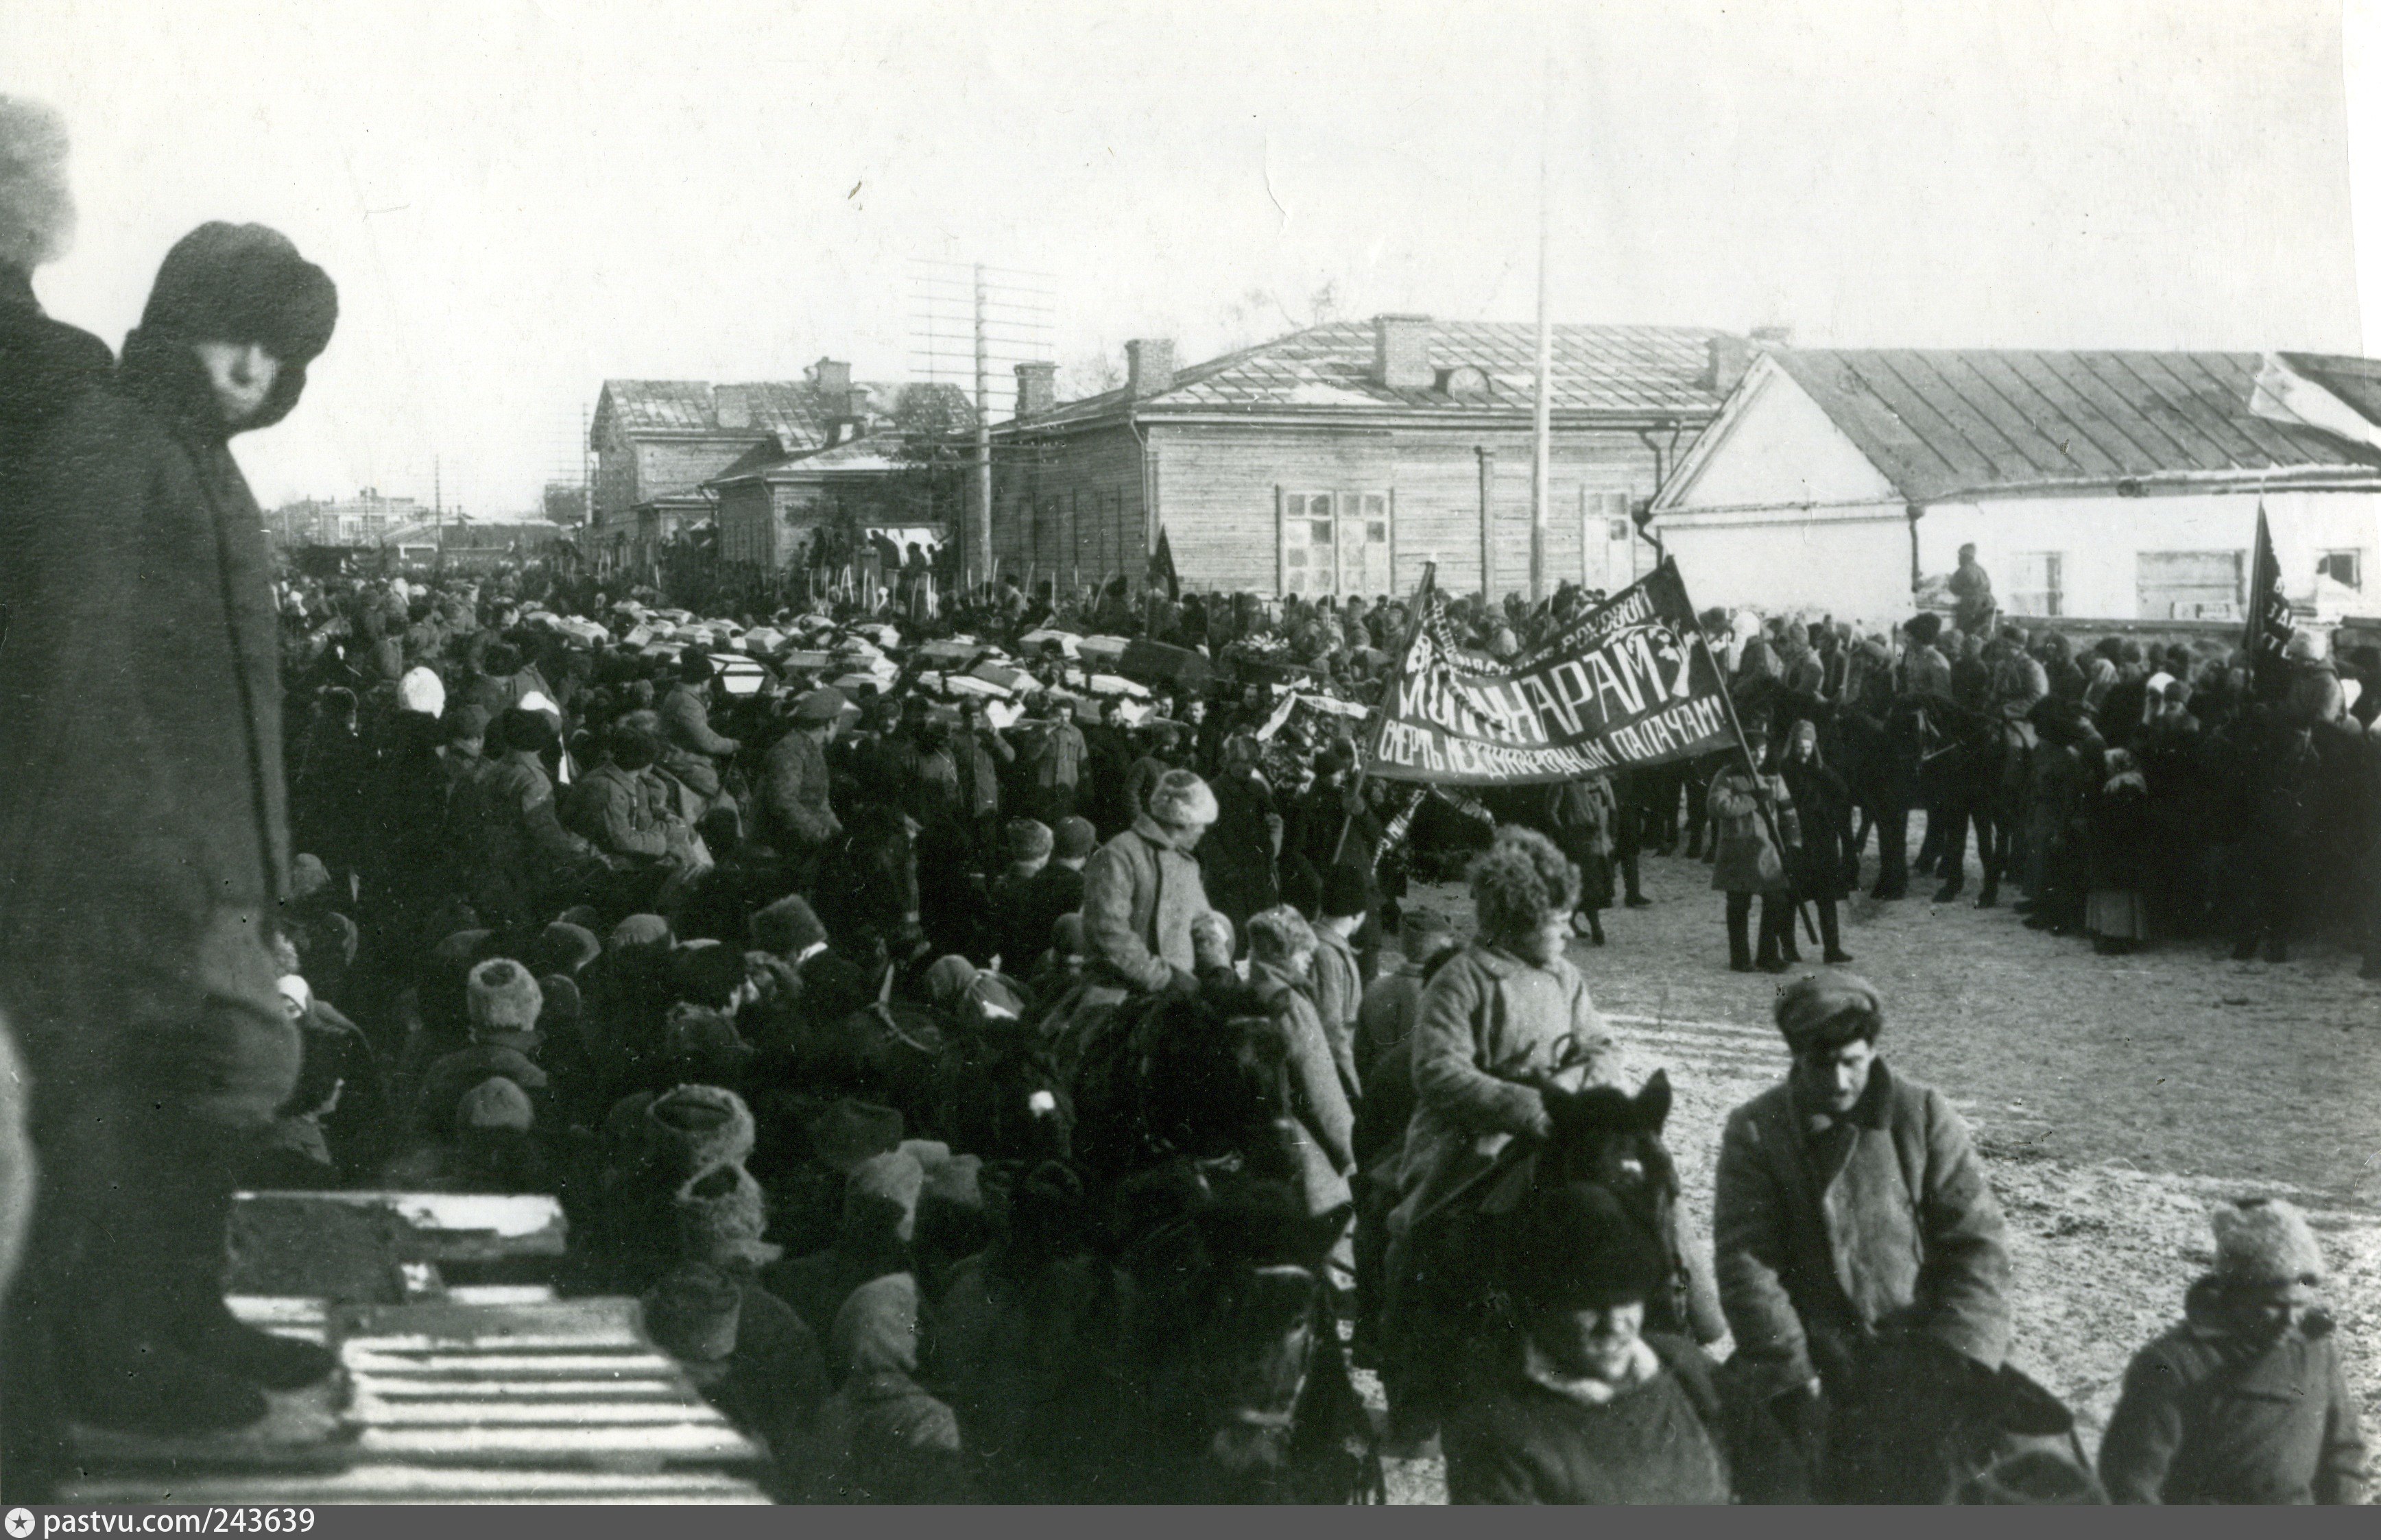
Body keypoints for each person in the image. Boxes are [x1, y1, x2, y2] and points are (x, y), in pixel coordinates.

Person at [0, 221, 342, 1440]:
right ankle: (110, 1351)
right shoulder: (112, 445)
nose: (259, 370)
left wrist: (252, 857)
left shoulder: (194, 453)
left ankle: (180, 1308)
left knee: (220, 1085)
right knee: (128, 1105)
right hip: (132, 870)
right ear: (179, 327)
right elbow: (75, 676)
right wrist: (161, 861)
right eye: (240, 339)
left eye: (280, 351)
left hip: (213, 867)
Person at [1712, 970, 2011, 1503]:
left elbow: (1976, 1242)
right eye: (1820, 1065)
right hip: (1815, 1357)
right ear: (1796, 1059)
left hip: (1922, 1352)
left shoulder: (1920, 1114)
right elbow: (1747, 1261)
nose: (1839, 1082)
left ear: (1871, 1051)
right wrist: (1792, 1371)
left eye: (1852, 1062)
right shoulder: (1758, 1131)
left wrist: (1958, 1353)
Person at [1386, 828, 1623, 1443]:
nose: (1568, 934)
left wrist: (1577, 1087)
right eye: (1558, 922)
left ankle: (1684, 1319)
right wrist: (1520, 1103)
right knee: (1419, 1242)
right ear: (1517, 921)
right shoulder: (1463, 979)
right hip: (1470, 1141)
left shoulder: (1567, 978)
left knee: (1647, 1195)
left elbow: (1604, 1045)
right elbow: (1436, 1069)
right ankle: (1415, 1392)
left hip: (1560, 1129)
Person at [1443, 1186, 1733, 1504]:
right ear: (1541, 1310)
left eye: (1627, 1300)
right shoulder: (1501, 1432)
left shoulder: (1682, 1365)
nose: (1615, 1325)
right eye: (1590, 1306)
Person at [2098, 1197, 2365, 1504]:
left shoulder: (2316, 1353)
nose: (2290, 1320)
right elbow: (2130, 1484)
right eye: (2275, 1305)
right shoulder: (2173, 1363)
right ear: (2236, 1296)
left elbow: (2343, 1455)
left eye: (2301, 1305)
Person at [1077, 769, 1219, 1000]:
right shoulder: (1119, 854)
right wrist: (1165, 979)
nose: (1203, 831)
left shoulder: (1187, 865)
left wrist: (1217, 967)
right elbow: (1107, 932)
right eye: (1200, 824)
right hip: (1121, 992)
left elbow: (1202, 921)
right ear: (1182, 821)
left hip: (1180, 993)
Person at [1708, 728, 1802, 973]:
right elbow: (1718, 806)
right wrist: (1751, 800)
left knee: (1776, 899)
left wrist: (1793, 844)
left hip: (1767, 849)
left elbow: (1788, 812)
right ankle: (1740, 958)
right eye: (1752, 750)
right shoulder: (1727, 776)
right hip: (1738, 850)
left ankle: (1768, 955)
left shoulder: (1773, 777)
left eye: (1761, 750)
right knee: (1739, 905)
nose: (1758, 755)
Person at [1775, 720, 1855, 963]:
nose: (1804, 751)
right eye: (1800, 746)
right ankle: (1788, 947)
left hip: (1822, 843)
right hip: (1796, 842)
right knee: (1791, 897)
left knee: (1827, 897)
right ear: (1793, 745)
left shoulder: (1822, 770)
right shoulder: (1783, 771)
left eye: (1808, 747)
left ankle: (1832, 949)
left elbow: (1843, 795)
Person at [761, 686, 845, 891]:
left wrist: (841, 835)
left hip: (803, 844)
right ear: (831, 722)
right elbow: (783, 803)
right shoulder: (790, 750)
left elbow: (820, 803)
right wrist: (820, 834)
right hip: (779, 852)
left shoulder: (811, 749)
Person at [1949, 543, 1996, 638]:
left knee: (1965, 634)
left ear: (1966, 557)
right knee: (1982, 635)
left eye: (1960, 556)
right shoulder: (1981, 570)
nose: (1959, 558)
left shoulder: (1963, 570)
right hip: (1986, 606)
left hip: (1971, 607)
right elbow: (1988, 586)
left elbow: (1953, 587)